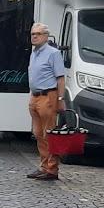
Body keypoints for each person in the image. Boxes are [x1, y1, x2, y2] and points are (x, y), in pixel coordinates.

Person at [26, 21, 66, 180]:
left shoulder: (53, 53)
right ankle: (43, 166)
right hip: (35, 96)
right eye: (32, 34)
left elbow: (61, 78)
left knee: (49, 133)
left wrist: (60, 99)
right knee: (38, 133)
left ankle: (52, 169)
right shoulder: (34, 53)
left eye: (38, 34)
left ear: (46, 36)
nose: (34, 37)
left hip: (48, 96)